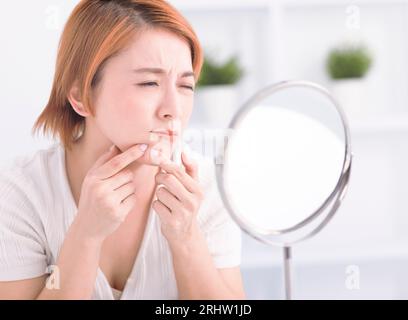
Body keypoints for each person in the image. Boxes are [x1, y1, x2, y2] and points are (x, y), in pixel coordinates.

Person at [0, 0, 245, 300]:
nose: (173, 110)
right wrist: (86, 235)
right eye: (148, 83)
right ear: (80, 96)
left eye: (185, 86)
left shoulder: (207, 185)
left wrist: (186, 236)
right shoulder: (20, 192)